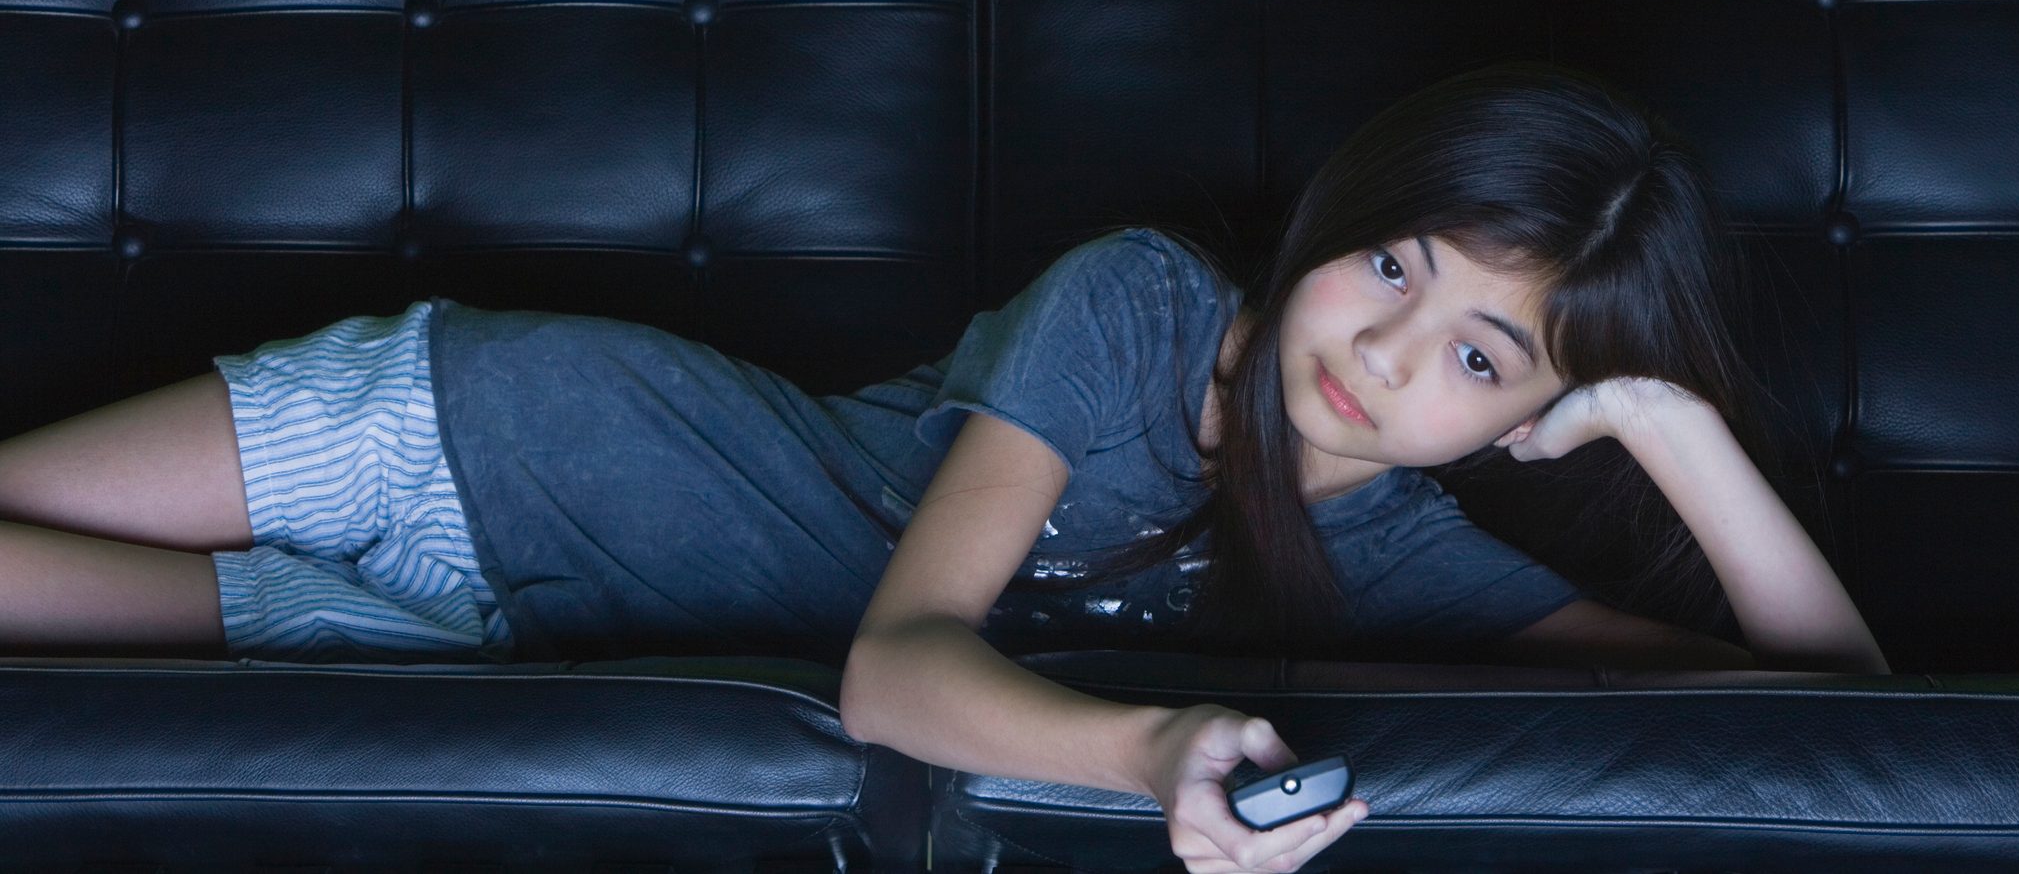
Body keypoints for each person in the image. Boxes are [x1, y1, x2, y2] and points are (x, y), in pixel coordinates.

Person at [0, 57, 1886, 874]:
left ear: (1516, 412)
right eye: (1392, 260)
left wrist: (1670, 424)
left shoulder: (1396, 554)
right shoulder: (1145, 305)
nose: (1387, 353)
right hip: (483, 427)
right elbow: (898, 670)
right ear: (1335, 221)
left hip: (475, 647)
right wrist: (1147, 748)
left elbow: (1846, 719)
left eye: (1483, 350)